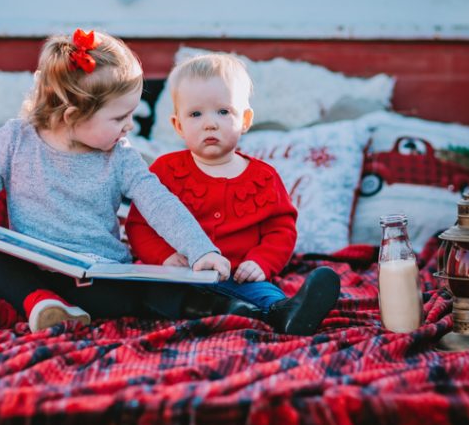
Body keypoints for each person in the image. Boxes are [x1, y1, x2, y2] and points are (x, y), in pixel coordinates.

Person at [0, 29, 259, 333]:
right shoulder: (16, 137)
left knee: (145, 293)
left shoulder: (121, 156)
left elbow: (160, 204)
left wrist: (201, 250)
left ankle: (28, 309)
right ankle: (40, 302)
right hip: (33, 265)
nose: (130, 126)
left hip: (96, 277)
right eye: (119, 118)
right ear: (71, 116)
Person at [125, 53, 340, 336]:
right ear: (178, 125)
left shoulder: (263, 177)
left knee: (265, 293)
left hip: (240, 276)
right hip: (180, 276)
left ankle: (287, 314)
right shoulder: (166, 170)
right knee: (150, 292)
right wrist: (164, 256)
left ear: (245, 119)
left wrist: (260, 262)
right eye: (196, 114)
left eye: (223, 112)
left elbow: (281, 230)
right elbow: (140, 225)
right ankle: (228, 311)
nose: (210, 123)